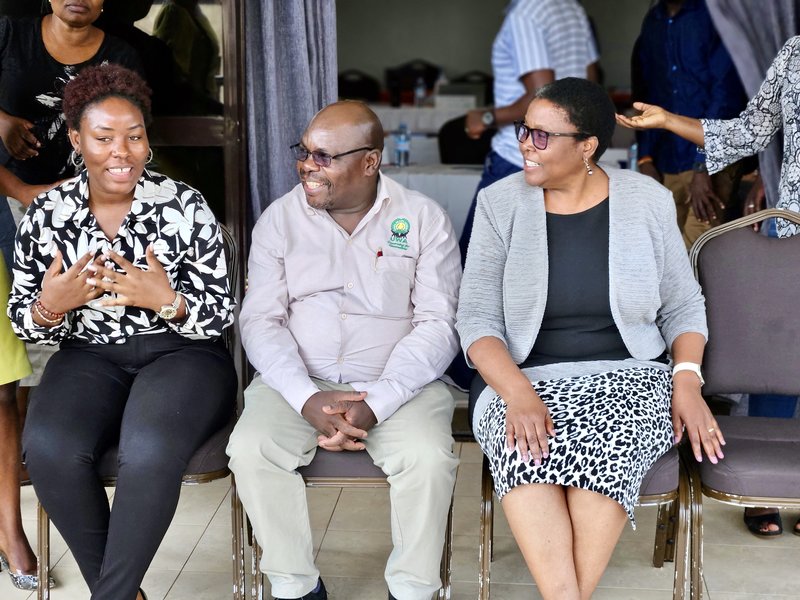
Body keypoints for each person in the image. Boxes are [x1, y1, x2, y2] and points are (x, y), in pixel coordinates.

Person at [457, 77, 723, 600]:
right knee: (522, 454)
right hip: (521, 378)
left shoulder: (644, 200)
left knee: (608, 449)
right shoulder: (498, 204)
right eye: (523, 130)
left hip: (631, 377)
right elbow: (477, 321)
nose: (524, 145)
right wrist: (518, 395)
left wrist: (686, 384)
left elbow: (684, 305)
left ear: (587, 147)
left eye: (540, 136)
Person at [9, 64, 237, 600]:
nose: (123, 152)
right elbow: (24, 320)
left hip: (183, 354)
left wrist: (168, 302)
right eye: (105, 137)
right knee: (47, 447)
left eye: (134, 137)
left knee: (149, 448)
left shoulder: (183, 205)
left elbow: (222, 314)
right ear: (75, 139)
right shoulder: (48, 213)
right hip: (89, 354)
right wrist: (50, 306)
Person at [226, 101, 461, 600]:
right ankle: (297, 587)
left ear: (370, 161)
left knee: (428, 456)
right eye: (304, 153)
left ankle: (414, 591)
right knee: (251, 448)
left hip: (401, 384)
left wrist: (377, 403)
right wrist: (305, 397)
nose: (308, 166)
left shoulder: (423, 219)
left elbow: (438, 325)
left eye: (324, 156)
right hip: (298, 382)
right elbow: (261, 320)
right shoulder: (279, 220)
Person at [618, 33, 800, 539]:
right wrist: (667, 120)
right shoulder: (794, 53)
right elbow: (749, 133)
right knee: (779, 356)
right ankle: (767, 488)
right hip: (796, 234)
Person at [0, 0, 140, 590]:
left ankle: (11, 527)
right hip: (20, 197)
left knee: (13, 375)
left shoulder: (124, 53)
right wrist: (24, 188)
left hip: (76, 212)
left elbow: (123, 140)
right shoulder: (11, 35)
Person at [458, 0, 599, 263]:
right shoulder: (572, 9)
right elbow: (590, 84)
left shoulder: (526, 15)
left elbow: (541, 97)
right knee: (545, 271)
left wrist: (486, 117)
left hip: (519, 161)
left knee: (474, 269)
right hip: (568, 161)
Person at [631, 0, 748, 248]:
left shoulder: (715, 17)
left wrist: (702, 166)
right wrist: (645, 158)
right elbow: (647, 93)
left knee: (697, 254)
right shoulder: (653, 21)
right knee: (666, 254)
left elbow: (725, 97)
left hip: (710, 164)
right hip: (666, 160)